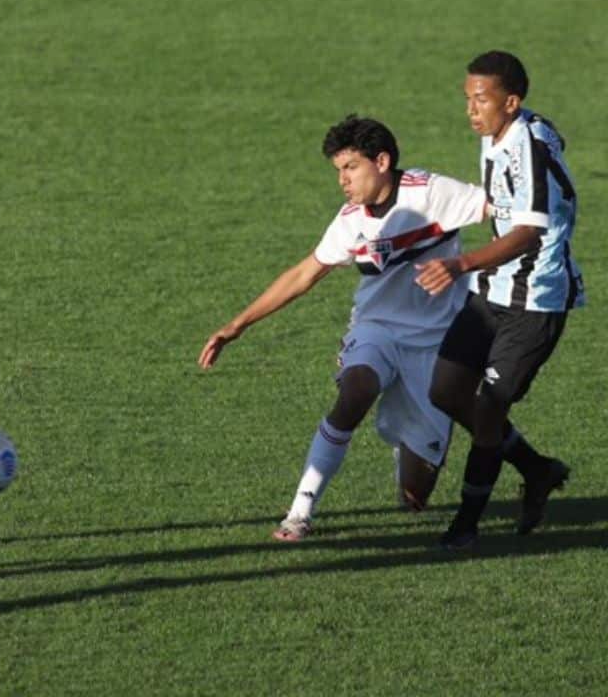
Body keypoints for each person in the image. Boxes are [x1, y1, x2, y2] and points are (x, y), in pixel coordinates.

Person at [199, 115, 492, 541]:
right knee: (355, 391)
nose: (342, 180)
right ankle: (299, 513)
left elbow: (502, 211)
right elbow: (305, 273)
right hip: (376, 330)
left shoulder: (432, 193)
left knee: (415, 498)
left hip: (432, 347)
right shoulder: (351, 218)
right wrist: (236, 325)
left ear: (382, 161)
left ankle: (408, 440)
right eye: (338, 170)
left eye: (350, 167)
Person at [416, 51, 582, 548]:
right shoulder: (500, 133)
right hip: (491, 290)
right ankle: (536, 469)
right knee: (446, 391)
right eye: (467, 98)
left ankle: (465, 526)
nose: (471, 109)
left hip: (534, 301)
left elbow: (530, 232)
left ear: (511, 102)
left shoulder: (525, 145)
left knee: (488, 407)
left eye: (481, 100)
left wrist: (458, 263)